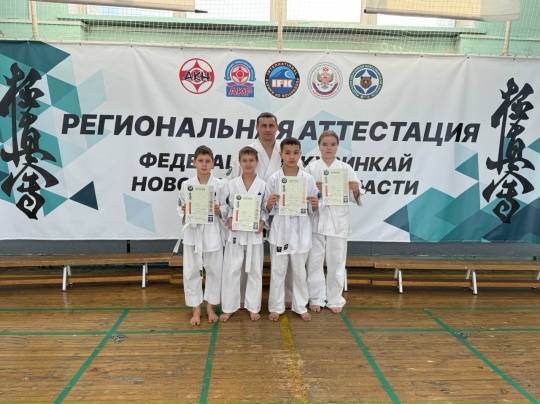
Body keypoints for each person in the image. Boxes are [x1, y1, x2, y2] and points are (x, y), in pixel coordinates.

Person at [226, 112, 301, 309]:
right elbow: (231, 182)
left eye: (271, 125)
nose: (267, 129)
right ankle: (241, 298)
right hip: (251, 213)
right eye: (263, 125)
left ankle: (287, 297)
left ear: (277, 128)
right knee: (245, 258)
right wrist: (231, 214)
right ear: (257, 127)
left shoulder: (285, 150)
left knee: (286, 256)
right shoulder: (248, 151)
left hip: (282, 211)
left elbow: (299, 177)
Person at [304, 130, 363, 314]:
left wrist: (355, 189)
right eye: (325, 144)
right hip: (317, 221)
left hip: (338, 222)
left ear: (337, 146)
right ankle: (316, 297)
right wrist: (313, 189)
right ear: (319, 146)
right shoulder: (311, 168)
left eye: (332, 144)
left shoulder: (346, 169)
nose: (328, 148)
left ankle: (335, 298)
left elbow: (357, 195)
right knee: (314, 262)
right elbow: (301, 194)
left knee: (337, 262)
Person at [264, 138, 318, 322]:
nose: (291, 156)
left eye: (295, 153)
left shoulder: (307, 179)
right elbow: (266, 209)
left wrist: (314, 204)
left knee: (300, 272)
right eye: (287, 153)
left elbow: (314, 209)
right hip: (280, 229)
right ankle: (275, 307)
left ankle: (300, 306)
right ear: (281, 154)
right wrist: (269, 203)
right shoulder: (274, 179)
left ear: (300, 154)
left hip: (301, 230)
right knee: (278, 271)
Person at [176, 145, 229, 325]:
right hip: (193, 233)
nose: (204, 164)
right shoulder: (187, 185)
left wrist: (220, 210)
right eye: (200, 161)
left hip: (213, 233)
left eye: (207, 161)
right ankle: (196, 309)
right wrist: (184, 211)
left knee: (214, 270)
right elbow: (180, 206)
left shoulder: (220, 185)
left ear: (213, 163)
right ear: (194, 162)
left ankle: (210, 307)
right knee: (191, 271)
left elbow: (227, 207)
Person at [220, 146, 267, 322]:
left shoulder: (263, 185)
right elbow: (226, 206)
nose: (248, 164)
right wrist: (229, 218)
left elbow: (265, 209)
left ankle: (253, 307)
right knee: (232, 270)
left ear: (257, 162)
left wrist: (262, 221)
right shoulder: (232, 184)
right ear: (239, 162)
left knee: (255, 271)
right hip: (236, 233)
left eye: (251, 160)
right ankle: (229, 307)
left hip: (254, 234)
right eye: (244, 161)